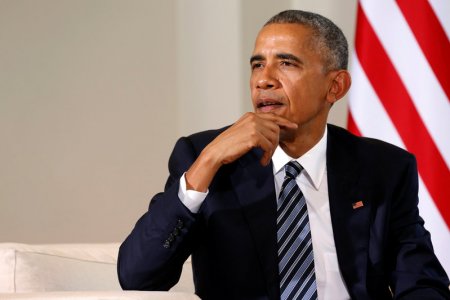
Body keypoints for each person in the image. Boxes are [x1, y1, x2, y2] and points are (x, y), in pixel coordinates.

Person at [117, 10, 450, 300]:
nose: (264, 80)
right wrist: (205, 165)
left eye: (286, 64)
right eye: (257, 64)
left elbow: (420, 281)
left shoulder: (383, 168)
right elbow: (138, 277)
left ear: (335, 86)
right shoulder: (206, 158)